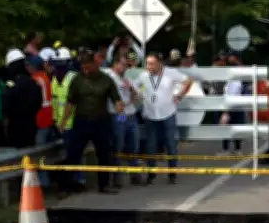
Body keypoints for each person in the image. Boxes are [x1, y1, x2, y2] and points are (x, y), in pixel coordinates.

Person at [57, 52, 123, 195]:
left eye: (88, 66)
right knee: (74, 154)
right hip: (82, 121)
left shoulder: (106, 80)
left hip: (101, 122)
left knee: (104, 154)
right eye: (83, 66)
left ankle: (104, 185)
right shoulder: (77, 80)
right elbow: (70, 102)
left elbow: (116, 98)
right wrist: (63, 121)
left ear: (95, 64)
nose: (85, 69)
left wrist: (119, 108)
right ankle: (66, 187)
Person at [133, 53, 194, 184]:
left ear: (159, 64)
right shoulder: (143, 75)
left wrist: (180, 95)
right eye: (147, 63)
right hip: (150, 116)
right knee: (150, 146)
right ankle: (151, 173)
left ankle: (172, 173)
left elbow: (188, 80)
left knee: (171, 145)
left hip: (168, 115)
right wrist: (137, 95)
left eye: (151, 64)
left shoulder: (171, 73)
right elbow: (134, 87)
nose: (148, 66)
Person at [50, 47, 86, 192]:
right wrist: (56, 121)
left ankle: (78, 181)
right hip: (60, 125)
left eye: (60, 64)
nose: (57, 67)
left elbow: (73, 103)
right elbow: (54, 102)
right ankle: (70, 181)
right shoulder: (54, 80)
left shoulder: (74, 78)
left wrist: (63, 122)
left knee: (74, 153)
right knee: (66, 155)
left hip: (74, 123)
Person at [103, 55, 141, 187]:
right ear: (115, 64)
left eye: (126, 65)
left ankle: (134, 174)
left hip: (131, 114)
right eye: (122, 64)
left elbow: (137, 95)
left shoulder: (126, 78)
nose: (125, 67)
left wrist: (130, 89)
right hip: (119, 115)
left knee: (133, 145)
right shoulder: (108, 76)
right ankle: (116, 177)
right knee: (118, 145)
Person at [3, 49, 42, 148]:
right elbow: (38, 102)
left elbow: (6, 106)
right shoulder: (33, 82)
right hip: (31, 126)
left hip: (16, 128)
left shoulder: (11, 85)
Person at [28, 54, 54, 187]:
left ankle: (43, 182)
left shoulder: (36, 79)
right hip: (49, 117)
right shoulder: (46, 77)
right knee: (47, 151)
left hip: (41, 119)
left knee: (39, 152)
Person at [219, 54, 246, 156]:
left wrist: (226, 111)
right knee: (232, 126)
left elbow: (232, 93)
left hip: (232, 104)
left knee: (228, 125)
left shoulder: (235, 78)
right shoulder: (231, 78)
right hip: (234, 104)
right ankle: (235, 149)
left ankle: (230, 149)